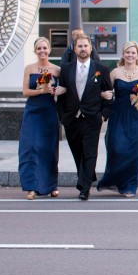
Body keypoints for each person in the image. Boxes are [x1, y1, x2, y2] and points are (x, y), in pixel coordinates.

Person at [56, 34, 113, 201]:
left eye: (85, 46)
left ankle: (85, 187)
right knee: (78, 152)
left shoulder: (101, 69)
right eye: (79, 46)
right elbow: (62, 95)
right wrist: (62, 117)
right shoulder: (66, 68)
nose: (83, 49)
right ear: (75, 49)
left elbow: (109, 96)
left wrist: (103, 116)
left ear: (90, 48)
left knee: (90, 153)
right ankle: (87, 176)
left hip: (92, 118)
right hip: (72, 119)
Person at [97, 41, 138, 197]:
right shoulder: (115, 72)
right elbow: (105, 90)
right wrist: (103, 95)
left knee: (135, 150)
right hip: (119, 114)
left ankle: (130, 185)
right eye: (127, 52)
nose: (130, 55)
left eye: (133, 52)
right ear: (123, 54)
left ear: (137, 55)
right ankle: (117, 179)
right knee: (117, 147)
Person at [18, 36, 61, 199]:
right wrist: (41, 91)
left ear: (49, 50)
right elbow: (25, 92)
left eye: (44, 48)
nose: (42, 51)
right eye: (39, 49)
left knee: (48, 148)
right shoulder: (29, 68)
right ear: (35, 51)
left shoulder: (56, 70)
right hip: (33, 111)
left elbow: (62, 91)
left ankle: (51, 185)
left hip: (49, 111)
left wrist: (56, 91)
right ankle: (31, 187)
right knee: (30, 147)